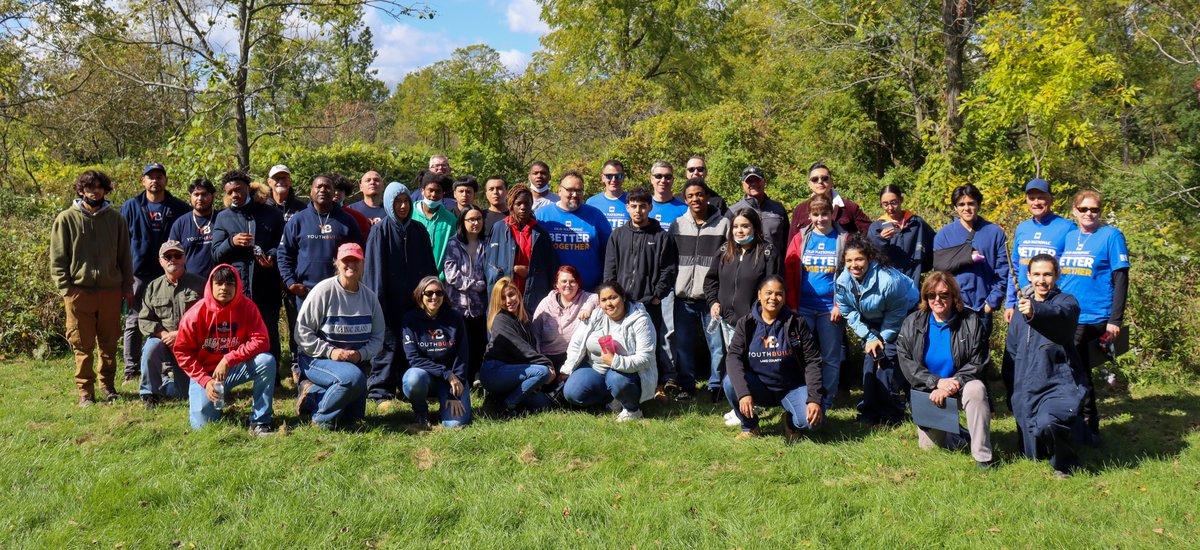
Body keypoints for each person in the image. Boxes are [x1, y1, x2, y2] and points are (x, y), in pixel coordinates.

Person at [51, 170, 134, 406]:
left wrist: (127, 288)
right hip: (79, 292)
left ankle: (108, 386)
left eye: (99, 187)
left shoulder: (116, 219)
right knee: (82, 345)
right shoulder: (66, 219)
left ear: (105, 190)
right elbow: (57, 259)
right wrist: (67, 290)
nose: (94, 191)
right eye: (89, 187)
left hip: (110, 292)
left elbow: (125, 258)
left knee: (108, 343)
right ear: (80, 190)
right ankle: (85, 392)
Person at [896, 272, 993, 467]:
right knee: (931, 448)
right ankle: (958, 432)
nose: (937, 300)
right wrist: (937, 383)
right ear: (925, 297)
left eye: (943, 294)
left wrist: (952, 384)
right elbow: (906, 361)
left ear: (953, 296)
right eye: (932, 295)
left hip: (962, 385)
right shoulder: (912, 322)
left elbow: (978, 361)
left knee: (977, 390)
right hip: (929, 391)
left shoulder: (971, 321)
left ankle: (983, 456)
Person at [1007, 254, 1090, 478]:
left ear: (1056, 276)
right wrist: (1011, 391)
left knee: (1048, 422)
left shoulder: (1066, 302)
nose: (1041, 280)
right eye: (1036, 274)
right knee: (1031, 451)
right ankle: (1073, 436)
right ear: (1028, 276)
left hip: (1058, 381)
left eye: (1047, 274)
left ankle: (1065, 464)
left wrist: (1035, 311)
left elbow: (1061, 317)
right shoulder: (1018, 311)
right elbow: (1012, 352)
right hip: (1026, 383)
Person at [1058, 190, 1129, 442]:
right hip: (1067, 315)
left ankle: (1089, 425)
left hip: (1094, 315)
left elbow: (1121, 278)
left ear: (1100, 211)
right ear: (1074, 211)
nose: (1089, 214)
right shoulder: (1068, 237)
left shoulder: (1110, 236)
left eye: (1094, 209)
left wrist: (1115, 319)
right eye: (1083, 209)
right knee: (1073, 369)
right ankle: (1078, 422)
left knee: (1079, 371)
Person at [174, 264, 277, 435]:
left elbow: (261, 340)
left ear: (237, 286)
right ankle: (200, 397)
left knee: (266, 361)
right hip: (206, 373)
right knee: (203, 427)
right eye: (219, 283)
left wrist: (229, 359)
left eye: (230, 284)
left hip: (234, 368)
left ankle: (260, 421)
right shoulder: (196, 313)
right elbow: (182, 352)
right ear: (211, 285)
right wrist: (204, 380)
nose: (224, 288)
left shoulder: (247, 307)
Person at [294, 243, 385, 429]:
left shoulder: (370, 297)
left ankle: (312, 395)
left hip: (353, 363)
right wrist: (330, 352)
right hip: (316, 359)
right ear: (337, 263)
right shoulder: (323, 291)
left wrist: (362, 354)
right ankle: (320, 420)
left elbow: (378, 337)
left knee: (353, 419)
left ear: (363, 263)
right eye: (346, 260)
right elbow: (301, 332)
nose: (351, 264)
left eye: (356, 260)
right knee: (352, 379)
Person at [362, 182, 438, 403]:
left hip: (415, 302)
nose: (403, 206)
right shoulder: (380, 231)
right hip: (388, 302)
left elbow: (429, 267)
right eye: (398, 202)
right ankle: (380, 391)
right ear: (389, 204)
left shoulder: (418, 230)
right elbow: (374, 270)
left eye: (406, 201)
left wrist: (430, 295)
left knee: (412, 345)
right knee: (388, 345)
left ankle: (407, 388)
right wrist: (377, 303)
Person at [704, 207, 781, 424]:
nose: (739, 230)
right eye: (736, 226)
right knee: (735, 362)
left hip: (755, 322)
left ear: (755, 228)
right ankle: (740, 403)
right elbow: (711, 281)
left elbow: (773, 287)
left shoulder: (767, 252)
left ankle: (751, 403)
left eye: (745, 226)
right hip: (728, 321)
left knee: (753, 363)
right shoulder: (724, 251)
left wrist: (760, 313)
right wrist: (713, 302)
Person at [723, 276, 825, 439]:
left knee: (813, 423)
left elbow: (813, 360)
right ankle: (750, 426)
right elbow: (733, 357)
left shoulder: (797, 322)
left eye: (779, 294)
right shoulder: (746, 324)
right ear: (759, 295)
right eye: (768, 293)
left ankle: (790, 422)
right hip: (760, 387)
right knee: (729, 383)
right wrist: (743, 393)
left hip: (791, 388)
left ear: (784, 296)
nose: (773, 298)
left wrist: (814, 398)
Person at [835, 237, 919, 425]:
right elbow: (847, 311)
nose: (854, 265)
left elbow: (897, 313)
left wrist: (881, 339)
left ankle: (892, 413)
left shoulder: (888, 280)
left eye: (859, 259)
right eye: (849, 260)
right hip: (872, 318)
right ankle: (870, 411)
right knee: (870, 359)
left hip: (903, 314)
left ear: (869, 259)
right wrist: (869, 337)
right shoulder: (842, 281)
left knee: (885, 358)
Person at [603, 187, 679, 395]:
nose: (638, 211)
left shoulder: (662, 237)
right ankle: (622, 386)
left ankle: (654, 387)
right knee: (622, 345)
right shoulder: (617, 235)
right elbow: (610, 270)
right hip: (622, 304)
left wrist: (657, 296)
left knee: (649, 348)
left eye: (643, 206)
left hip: (648, 304)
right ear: (627, 207)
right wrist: (612, 299)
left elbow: (669, 270)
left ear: (650, 207)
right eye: (634, 206)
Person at [122, 162, 190, 382]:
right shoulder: (131, 206)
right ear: (143, 181)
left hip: (170, 274)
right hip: (138, 273)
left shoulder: (179, 207)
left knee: (173, 320)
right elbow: (121, 241)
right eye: (150, 176)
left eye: (160, 176)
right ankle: (131, 369)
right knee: (133, 320)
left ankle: (171, 366)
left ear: (165, 180)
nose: (155, 180)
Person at [210, 170, 286, 369]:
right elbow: (216, 254)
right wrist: (231, 242)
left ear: (248, 188)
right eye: (230, 192)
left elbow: (284, 246)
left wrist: (272, 256)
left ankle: (273, 375)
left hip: (266, 282)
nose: (235, 195)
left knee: (268, 329)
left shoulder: (271, 213)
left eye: (238, 190)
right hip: (238, 286)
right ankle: (238, 371)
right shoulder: (223, 217)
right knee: (237, 332)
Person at [558, 280, 658, 421]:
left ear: (623, 297)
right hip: (596, 368)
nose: (608, 304)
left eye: (613, 297)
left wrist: (615, 361)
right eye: (603, 300)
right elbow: (577, 342)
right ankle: (613, 399)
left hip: (627, 373)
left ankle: (632, 409)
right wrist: (567, 369)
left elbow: (646, 358)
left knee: (616, 379)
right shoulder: (595, 315)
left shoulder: (640, 319)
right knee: (572, 393)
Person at [669, 178, 730, 402]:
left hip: (711, 298)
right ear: (685, 200)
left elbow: (730, 260)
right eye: (691, 196)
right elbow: (670, 258)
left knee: (717, 346)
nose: (696, 199)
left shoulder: (724, 224)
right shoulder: (677, 225)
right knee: (684, 346)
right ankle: (687, 386)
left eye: (700, 194)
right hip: (683, 298)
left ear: (707, 196)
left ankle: (716, 386)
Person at [784, 195, 847, 410]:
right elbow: (790, 271)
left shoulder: (843, 239)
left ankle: (827, 400)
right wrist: (792, 305)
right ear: (809, 216)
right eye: (816, 214)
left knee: (830, 357)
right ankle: (804, 397)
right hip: (803, 308)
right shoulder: (801, 238)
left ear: (832, 214)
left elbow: (849, 275)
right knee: (801, 354)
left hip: (830, 309)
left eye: (825, 213)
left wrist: (840, 305)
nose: (821, 218)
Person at [278, 174, 365, 311]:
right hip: (306, 293)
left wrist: (353, 283)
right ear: (311, 191)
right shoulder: (297, 221)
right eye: (318, 186)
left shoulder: (347, 221)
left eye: (327, 187)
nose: (323, 190)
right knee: (306, 333)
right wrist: (291, 282)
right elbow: (284, 254)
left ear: (333, 192)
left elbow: (360, 254)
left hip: (340, 291)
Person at [932, 183, 1009, 336]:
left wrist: (990, 303)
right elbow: (939, 271)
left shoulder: (994, 233)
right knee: (951, 356)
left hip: (982, 309)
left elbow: (1003, 271)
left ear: (978, 204)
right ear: (955, 207)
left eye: (970, 203)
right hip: (951, 308)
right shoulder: (944, 235)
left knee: (979, 357)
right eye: (961, 204)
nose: (966, 208)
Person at [138, 241, 206, 408]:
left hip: (190, 341)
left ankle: (168, 382)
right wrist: (163, 334)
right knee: (150, 349)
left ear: (184, 258)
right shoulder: (153, 287)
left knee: (185, 394)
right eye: (167, 256)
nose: (172, 259)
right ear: (161, 261)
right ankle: (150, 394)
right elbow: (144, 319)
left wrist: (180, 334)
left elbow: (208, 317)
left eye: (177, 255)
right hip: (163, 340)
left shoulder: (200, 284)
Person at [401, 276, 472, 429]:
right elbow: (414, 359)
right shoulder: (410, 320)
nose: (434, 297)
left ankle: (444, 407)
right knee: (413, 379)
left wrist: (455, 393)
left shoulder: (455, 318)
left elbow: (462, 356)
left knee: (455, 425)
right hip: (426, 377)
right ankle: (421, 412)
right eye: (429, 293)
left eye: (439, 293)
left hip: (453, 380)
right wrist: (445, 373)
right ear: (420, 295)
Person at [480, 277, 555, 416]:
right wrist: (546, 364)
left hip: (514, 373)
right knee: (543, 372)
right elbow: (521, 349)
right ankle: (507, 405)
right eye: (503, 297)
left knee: (544, 405)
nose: (509, 300)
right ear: (498, 301)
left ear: (518, 294)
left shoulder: (524, 320)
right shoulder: (501, 320)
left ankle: (498, 399)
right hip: (494, 371)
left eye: (511, 294)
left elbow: (530, 349)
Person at [485, 184, 559, 313]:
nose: (523, 207)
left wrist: (530, 272)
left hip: (533, 295)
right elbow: (489, 264)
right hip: (505, 295)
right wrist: (512, 270)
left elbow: (550, 267)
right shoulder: (500, 228)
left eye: (527, 203)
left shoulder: (540, 232)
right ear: (511, 205)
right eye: (518, 203)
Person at [535, 171, 611, 290]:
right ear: (559, 190)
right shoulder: (542, 215)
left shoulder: (595, 215)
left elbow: (609, 252)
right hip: (552, 291)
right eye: (569, 190)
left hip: (589, 291)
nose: (574, 194)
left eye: (579, 190)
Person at [442, 205, 490, 383]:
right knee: (460, 344)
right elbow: (451, 275)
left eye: (478, 218)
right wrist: (476, 285)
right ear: (463, 221)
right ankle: (460, 378)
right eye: (471, 219)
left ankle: (477, 378)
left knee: (478, 343)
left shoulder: (486, 244)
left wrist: (481, 286)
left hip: (479, 306)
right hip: (457, 305)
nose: (475, 223)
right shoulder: (454, 243)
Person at [531, 266, 597, 369]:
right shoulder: (546, 303)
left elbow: (598, 297)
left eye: (572, 281)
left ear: (578, 284)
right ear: (557, 285)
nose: (568, 285)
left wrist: (587, 308)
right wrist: (541, 361)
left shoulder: (585, 298)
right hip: (548, 357)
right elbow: (535, 335)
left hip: (576, 356)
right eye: (564, 281)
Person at [866, 184, 934, 285]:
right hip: (887, 286)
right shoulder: (876, 227)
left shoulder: (917, 223)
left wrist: (919, 268)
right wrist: (881, 240)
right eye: (885, 204)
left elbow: (933, 246)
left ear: (901, 200)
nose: (890, 207)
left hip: (912, 286)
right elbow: (870, 256)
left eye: (894, 203)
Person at [788, 162, 871, 240]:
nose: (820, 182)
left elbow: (870, 232)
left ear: (831, 182)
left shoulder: (849, 207)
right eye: (815, 179)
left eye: (825, 178)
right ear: (809, 184)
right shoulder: (800, 210)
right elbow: (792, 245)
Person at [727, 166, 789, 253]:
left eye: (757, 180)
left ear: (764, 181)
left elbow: (787, 239)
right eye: (749, 181)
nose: (753, 183)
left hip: (774, 262)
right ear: (743, 184)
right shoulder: (733, 211)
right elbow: (728, 243)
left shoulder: (778, 208)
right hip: (745, 263)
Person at [169, 178, 219, 279]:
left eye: (204, 194)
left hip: (219, 283)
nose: (200, 198)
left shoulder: (222, 219)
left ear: (213, 196)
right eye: (196, 194)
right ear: (190, 197)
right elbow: (171, 254)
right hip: (189, 284)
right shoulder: (180, 223)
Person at [413, 172, 458, 273]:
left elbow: (453, 252)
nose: (433, 195)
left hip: (438, 280)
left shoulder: (450, 220)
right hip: (412, 278)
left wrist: (443, 276)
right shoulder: (410, 214)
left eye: (438, 191)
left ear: (443, 194)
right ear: (422, 191)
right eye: (430, 190)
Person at [585, 159, 630, 231]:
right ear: (603, 178)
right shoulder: (591, 202)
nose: (613, 180)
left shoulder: (633, 200)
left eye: (618, 176)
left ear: (623, 177)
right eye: (609, 176)